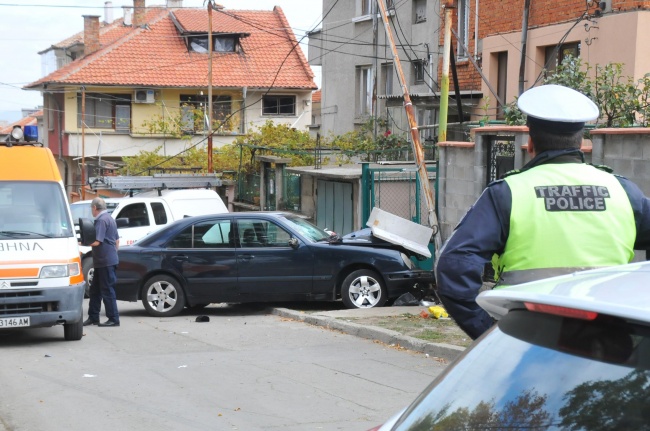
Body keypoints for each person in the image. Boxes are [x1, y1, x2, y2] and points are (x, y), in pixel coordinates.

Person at [435, 84, 650, 340]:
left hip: (526, 342)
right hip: (608, 347)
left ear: (531, 143)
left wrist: (488, 334)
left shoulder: (508, 193)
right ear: (581, 141)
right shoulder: (623, 191)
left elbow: (452, 267)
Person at [83, 197, 121, 327]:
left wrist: (81, 243)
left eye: (91, 209)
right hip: (105, 261)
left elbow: (97, 241)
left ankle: (113, 319)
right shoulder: (110, 218)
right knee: (95, 290)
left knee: (107, 290)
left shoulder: (101, 220)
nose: (91, 211)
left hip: (105, 261)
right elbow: (117, 241)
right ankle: (93, 317)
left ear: (94, 208)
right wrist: (113, 254)